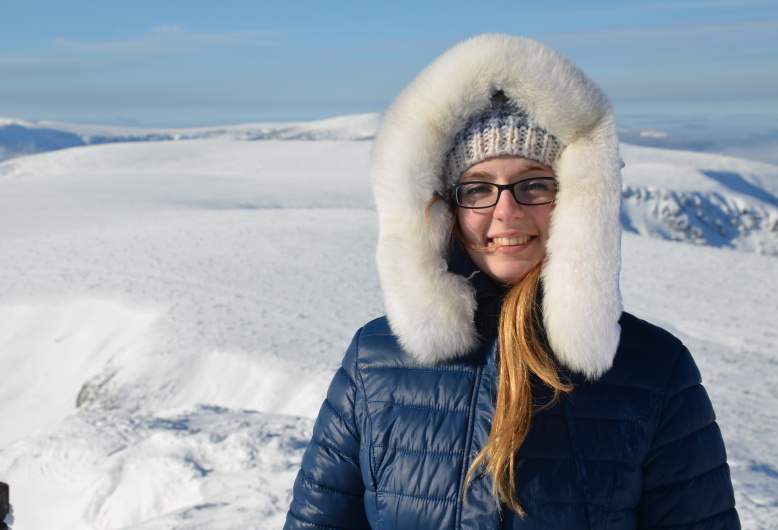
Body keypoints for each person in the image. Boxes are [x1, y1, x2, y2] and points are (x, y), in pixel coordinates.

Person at [284, 34, 739, 529]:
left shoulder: (654, 369)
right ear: (448, 209)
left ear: (576, 201)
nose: (506, 211)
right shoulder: (375, 360)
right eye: (478, 188)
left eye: (534, 184)